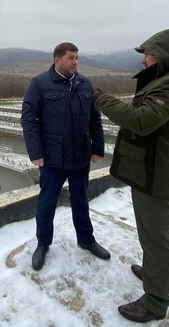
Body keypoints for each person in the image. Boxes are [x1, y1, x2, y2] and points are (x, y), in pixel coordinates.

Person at [94, 29, 169, 322]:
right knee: (158, 232)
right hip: (152, 166)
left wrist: (101, 99)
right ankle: (162, 278)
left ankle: (155, 301)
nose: (144, 61)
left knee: (155, 236)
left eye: (148, 55)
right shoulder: (167, 80)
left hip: (156, 170)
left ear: (163, 56)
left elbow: (141, 121)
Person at [21, 42, 109, 272]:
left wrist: (98, 148)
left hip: (80, 156)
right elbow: (29, 119)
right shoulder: (40, 84)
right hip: (52, 158)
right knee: (47, 203)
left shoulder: (85, 83)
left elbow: (94, 119)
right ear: (57, 59)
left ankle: (86, 239)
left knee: (81, 201)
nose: (75, 62)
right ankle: (42, 244)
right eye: (71, 58)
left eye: (77, 58)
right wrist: (36, 152)